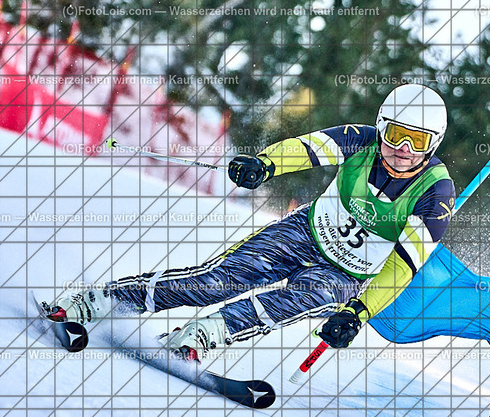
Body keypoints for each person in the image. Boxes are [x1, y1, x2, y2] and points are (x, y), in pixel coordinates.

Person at [50, 83, 456, 360]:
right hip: (306, 233)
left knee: (296, 299)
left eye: (418, 140)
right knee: (216, 281)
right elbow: (309, 148)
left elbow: (404, 265)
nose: (404, 148)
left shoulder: (436, 194)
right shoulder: (360, 140)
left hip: (347, 273)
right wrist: (266, 164)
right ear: (382, 127)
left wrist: (359, 313)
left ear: (432, 144)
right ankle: (103, 299)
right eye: (397, 134)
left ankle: (206, 334)